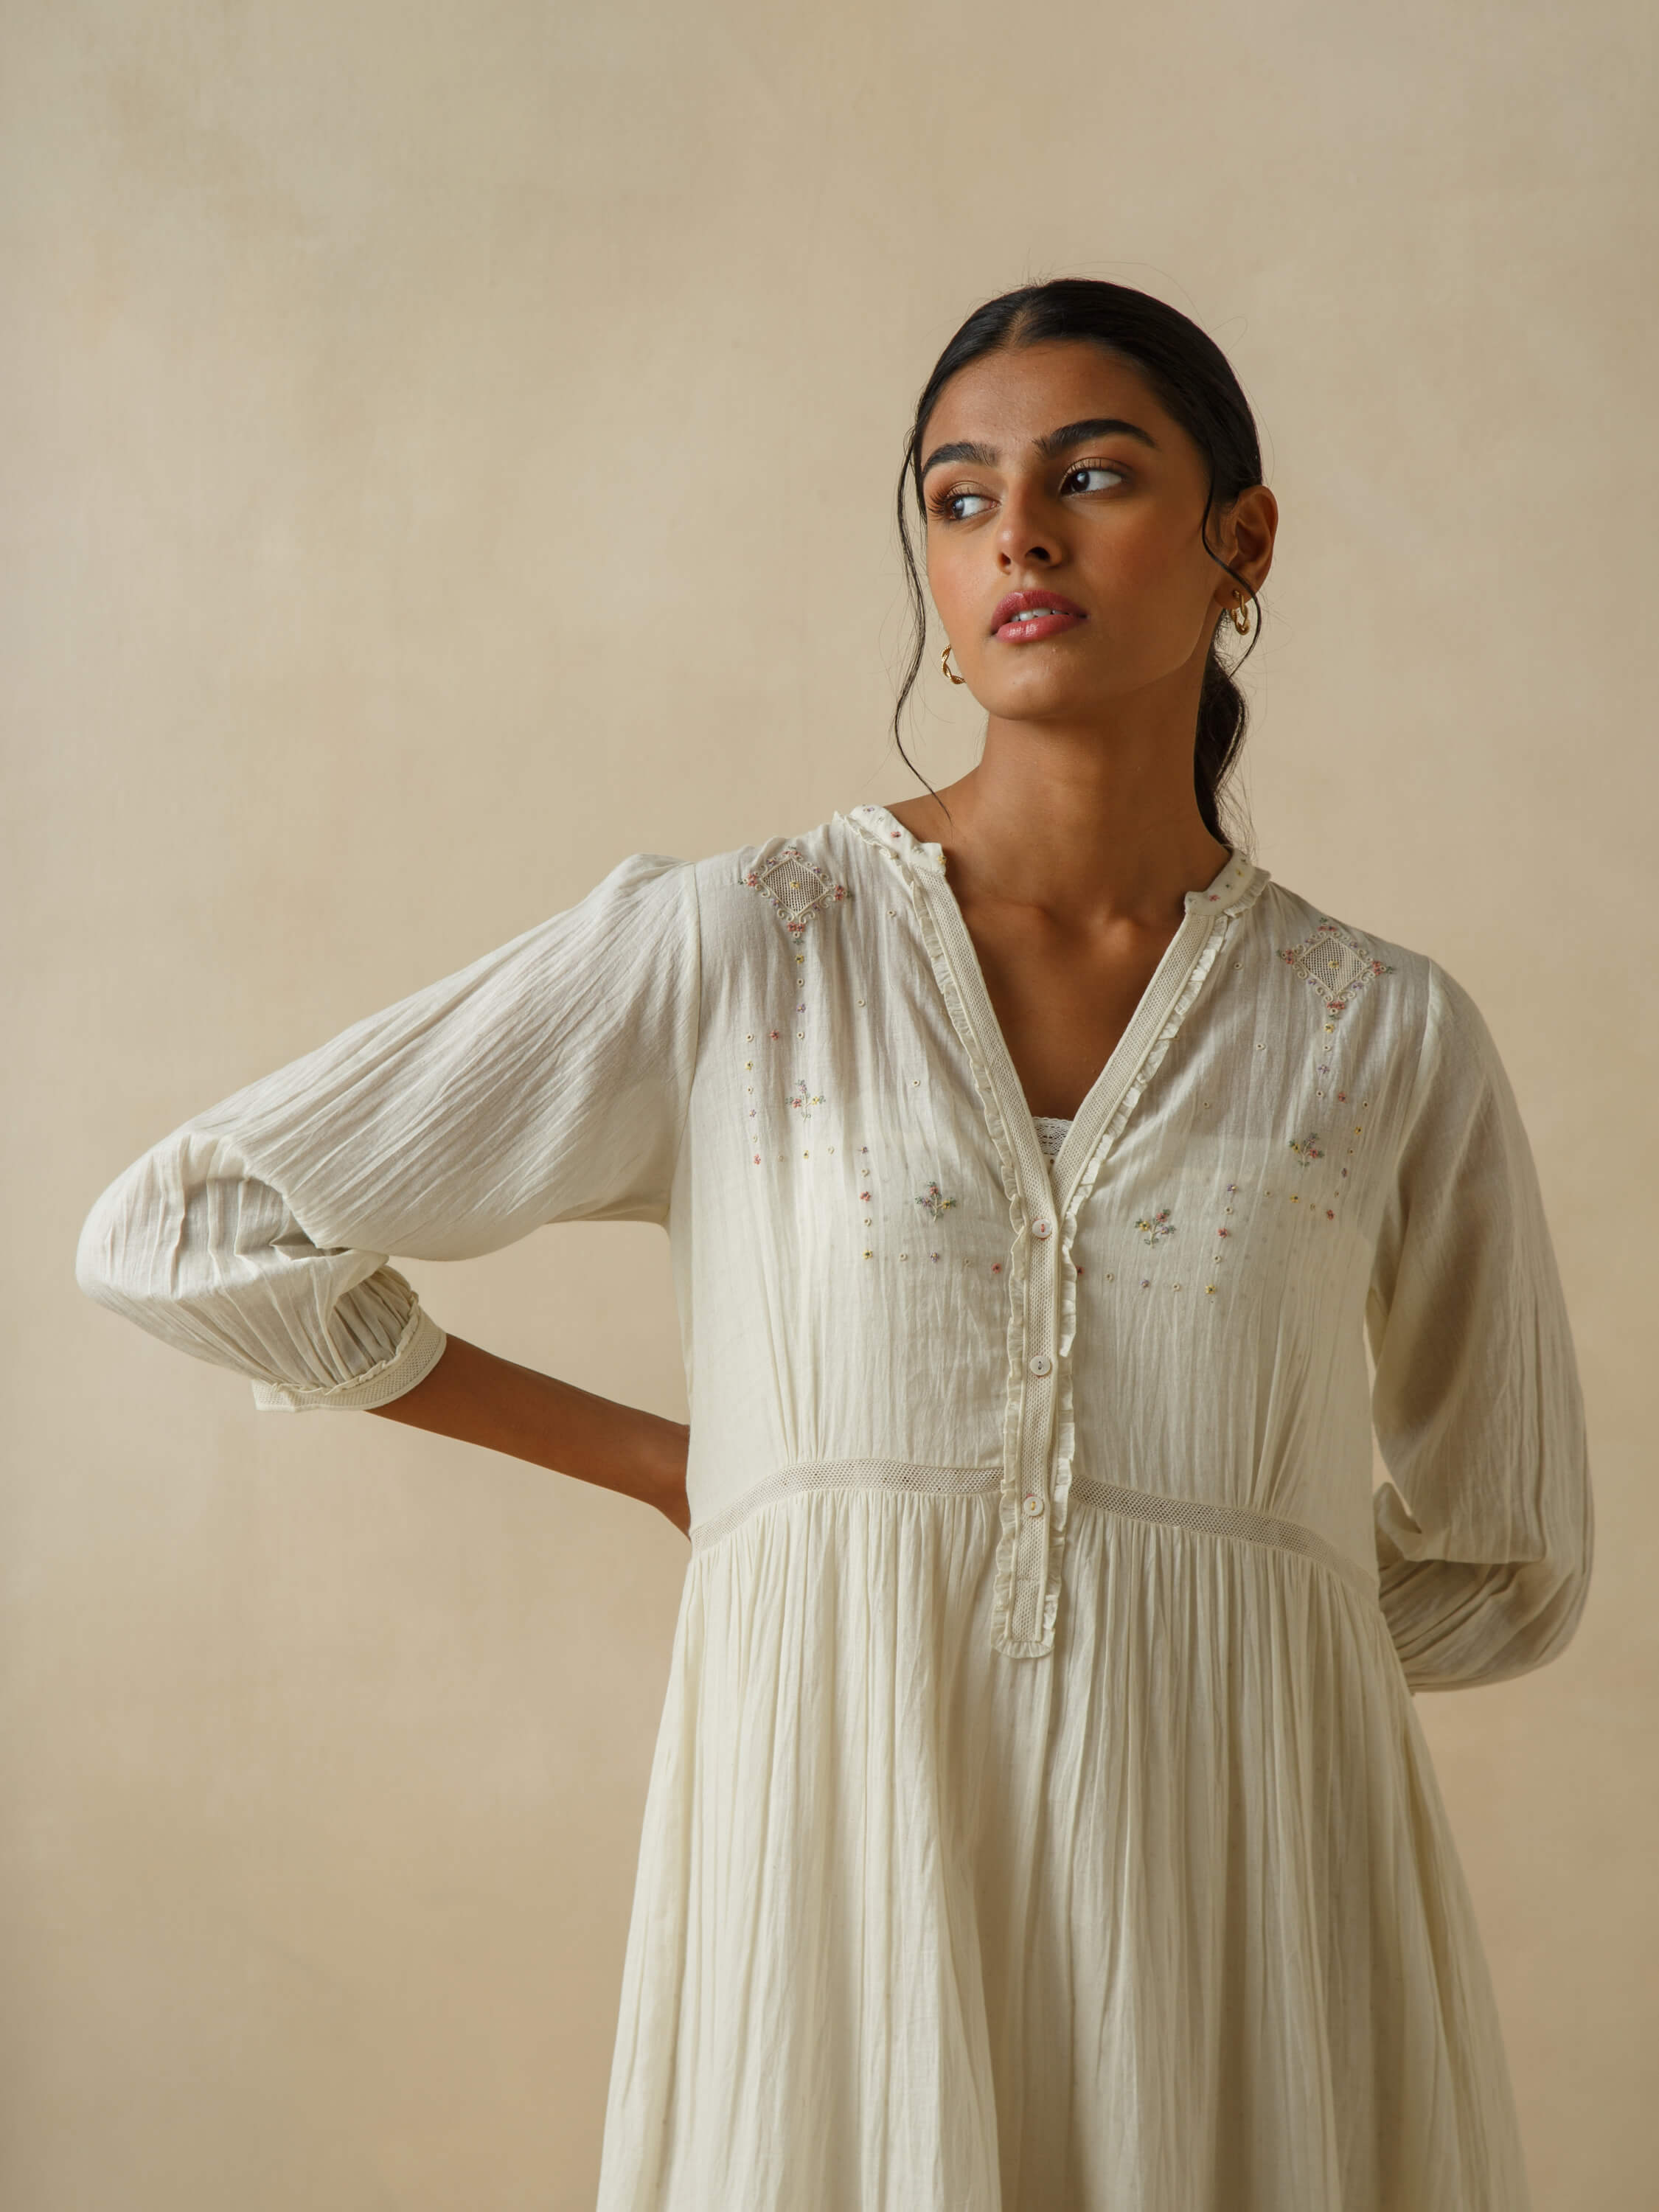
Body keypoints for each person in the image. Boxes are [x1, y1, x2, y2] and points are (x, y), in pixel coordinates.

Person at [75, 279, 1593, 2210]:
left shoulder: (1377, 1032)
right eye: (957, 499)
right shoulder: (739, 950)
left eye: (1093, 476)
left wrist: (1209, 1616)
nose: (1017, 534)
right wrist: (695, 1479)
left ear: (1243, 540)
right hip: (840, 1895)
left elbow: (1505, 1560)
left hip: (1246, 1935)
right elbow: (188, 1231)